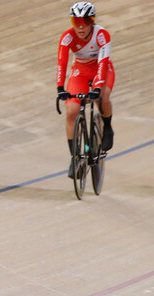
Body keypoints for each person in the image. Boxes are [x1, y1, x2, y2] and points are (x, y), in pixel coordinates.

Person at [56, 2, 115, 178]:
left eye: (85, 21)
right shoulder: (67, 37)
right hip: (80, 72)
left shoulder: (102, 35)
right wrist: (60, 87)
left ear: (92, 21)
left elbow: (103, 63)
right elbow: (62, 63)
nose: (81, 26)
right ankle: (74, 158)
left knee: (101, 98)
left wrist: (96, 88)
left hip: (101, 69)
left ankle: (108, 127)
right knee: (71, 110)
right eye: (76, 21)